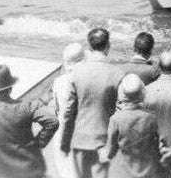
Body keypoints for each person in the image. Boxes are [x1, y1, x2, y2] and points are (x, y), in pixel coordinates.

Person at [60, 27, 124, 178]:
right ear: (108, 46)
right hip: (105, 142)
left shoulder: (76, 72)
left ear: (89, 47)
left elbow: (68, 111)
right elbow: (122, 113)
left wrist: (65, 141)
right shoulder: (118, 74)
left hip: (79, 139)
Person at [102, 74, 160, 178]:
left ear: (121, 93)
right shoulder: (151, 117)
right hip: (145, 171)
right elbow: (155, 146)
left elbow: (110, 151)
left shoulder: (116, 119)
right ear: (142, 93)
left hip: (122, 172)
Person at [50, 43, 86, 177]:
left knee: (65, 171)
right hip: (81, 131)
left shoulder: (58, 81)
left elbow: (57, 109)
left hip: (62, 130)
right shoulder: (86, 80)